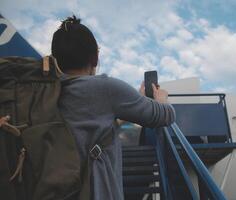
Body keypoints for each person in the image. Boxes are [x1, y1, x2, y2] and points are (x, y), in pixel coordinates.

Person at [51, 15, 176, 200]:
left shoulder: (46, 93)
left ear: (55, 59)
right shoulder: (106, 88)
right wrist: (161, 99)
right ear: (95, 58)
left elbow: (95, 126)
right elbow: (164, 116)